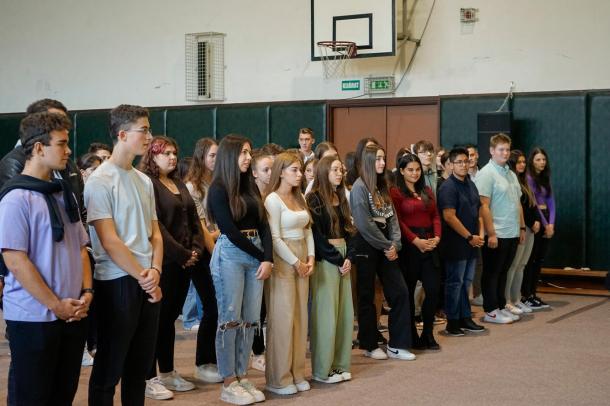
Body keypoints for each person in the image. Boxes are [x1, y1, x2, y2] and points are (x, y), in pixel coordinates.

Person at [0, 112, 92, 406]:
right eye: (61, 144)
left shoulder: (64, 192)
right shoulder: (16, 198)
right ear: (39, 148)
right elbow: (15, 260)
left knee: (62, 394)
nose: (68, 151)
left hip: (72, 311)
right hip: (34, 318)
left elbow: (81, 247)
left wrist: (86, 292)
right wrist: (56, 305)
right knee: (31, 397)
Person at [86, 105, 163, 406]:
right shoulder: (100, 180)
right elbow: (109, 240)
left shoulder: (143, 180)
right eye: (143, 129)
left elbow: (155, 233)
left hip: (146, 278)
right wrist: (144, 276)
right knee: (109, 366)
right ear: (122, 134)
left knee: (139, 368)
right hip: (118, 280)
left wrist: (155, 270)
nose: (149, 136)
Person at [207, 134, 273, 405]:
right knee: (230, 318)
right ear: (229, 155)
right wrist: (261, 256)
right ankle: (228, 381)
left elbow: (264, 225)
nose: (248, 157)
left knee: (250, 319)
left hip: (255, 254)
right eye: (243, 153)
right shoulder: (219, 188)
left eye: (249, 152)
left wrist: (267, 258)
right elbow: (231, 232)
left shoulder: (250, 186)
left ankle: (242, 374)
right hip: (232, 255)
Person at [139, 136, 206, 398]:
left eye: (174, 152)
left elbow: (194, 219)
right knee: (154, 323)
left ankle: (167, 371)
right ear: (152, 156)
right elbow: (157, 229)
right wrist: (180, 254)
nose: (172, 157)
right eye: (165, 153)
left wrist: (197, 250)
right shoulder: (149, 185)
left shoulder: (178, 183)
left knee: (169, 322)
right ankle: (148, 376)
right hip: (164, 262)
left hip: (185, 262)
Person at [350, 145, 414, 361]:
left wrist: (396, 244)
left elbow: (392, 217)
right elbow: (365, 224)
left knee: (400, 292)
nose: (382, 162)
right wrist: (387, 245)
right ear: (368, 161)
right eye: (378, 159)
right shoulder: (360, 187)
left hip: (388, 244)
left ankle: (398, 344)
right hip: (368, 244)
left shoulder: (383, 184)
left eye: (383, 158)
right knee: (366, 295)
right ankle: (369, 343)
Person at [264, 152, 315, 395]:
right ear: (281, 171)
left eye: (300, 170)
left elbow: (307, 231)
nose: (299, 174)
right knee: (283, 319)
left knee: (300, 318)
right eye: (294, 169)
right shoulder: (272, 200)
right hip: (284, 261)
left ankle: (297, 372)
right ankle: (280, 378)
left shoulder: (300, 196)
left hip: (303, 257)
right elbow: (274, 238)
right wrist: (296, 261)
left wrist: (311, 258)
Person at [307, 155, 355, 384]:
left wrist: (349, 257)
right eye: (335, 169)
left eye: (341, 170)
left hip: (343, 257)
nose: (340, 173)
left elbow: (350, 229)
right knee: (326, 316)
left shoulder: (340, 196)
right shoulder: (314, 198)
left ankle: (339, 364)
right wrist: (337, 258)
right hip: (327, 259)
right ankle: (322, 369)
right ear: (324, 171)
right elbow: (317, 237)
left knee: (344, 315)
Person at [184, 138, 225, 383]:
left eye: (218, 155)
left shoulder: (218, 183)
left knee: (220, 308)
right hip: (205, 255)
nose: (216, 160)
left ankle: (216, 358)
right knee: (211, 307)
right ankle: (202, 362)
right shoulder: (193, 187)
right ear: (201, 157)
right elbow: (203, 231)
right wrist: (216, 250)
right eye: (212, 155)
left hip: (221, 249)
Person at [390, 154, 442, 350]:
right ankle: (410, 334)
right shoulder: (396, 192)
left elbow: (435, 215)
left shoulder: (426, 189)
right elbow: (398, 221)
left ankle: (428, 333)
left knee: (433, 290)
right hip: (410, 246)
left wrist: (436, 237)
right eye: (410, 169)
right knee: (409, 292)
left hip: (430, 243)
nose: (415, 173)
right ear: (402, 171)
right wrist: (415, 240)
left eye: (417, 169)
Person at [474, 133, 525, 325]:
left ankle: (501, 306)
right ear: (492, 151)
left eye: (507, 149)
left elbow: (518, 203)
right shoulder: (486, 173)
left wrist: (521, 228)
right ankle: (490, 310)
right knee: (492, 272)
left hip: (512, 231)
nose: (505, 153)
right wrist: (491, 233)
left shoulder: (510, 173)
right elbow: (483, 206)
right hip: (496, 233)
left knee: (504, 271)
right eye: (501, 149)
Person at [437, 148, 486, 336]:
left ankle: (465, 317)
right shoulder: (448, 187)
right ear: (450, 165)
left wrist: (479, 235)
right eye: (459, 162)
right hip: (456, 243)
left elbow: (479, 211)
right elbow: (449, 217)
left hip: (472, 242)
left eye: (466, 161)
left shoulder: (470, 184)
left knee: (466, 282)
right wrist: (469, 236)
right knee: (455, 283)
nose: (464, 165)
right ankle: (453, 321)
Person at [506, 150, 540, 315]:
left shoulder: (525, 181)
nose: (522, 164)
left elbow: (531, 205)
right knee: (513, 266)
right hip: (520, 227)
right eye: (518, 162)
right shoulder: (511, 181)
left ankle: (517, 299)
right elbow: (518, 207)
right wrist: (527, 224)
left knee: (522, 265)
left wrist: (536, 221)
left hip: (529, 228)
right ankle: (508, 301)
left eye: (523, 162)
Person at [250, 150, 275, 372]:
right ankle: (256, 351)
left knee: (266, 306)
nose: (270, 173)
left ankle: (264, 348)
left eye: (272, 169)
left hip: (271, 254)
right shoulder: (252, 196)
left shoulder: (274, 194)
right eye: (265, 170)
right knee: (257, 307)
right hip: (255, 254)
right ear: (255, 173)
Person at [522, 147, 555, 309]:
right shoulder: (528, 178)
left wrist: (551, 224)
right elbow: (534, 204)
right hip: (537, 220)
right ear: (531, 161)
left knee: (539, 260)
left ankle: (533, 293)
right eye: (538, 160)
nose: (542, 162)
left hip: (547, 220)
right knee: (530, 259)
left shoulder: (545, 178)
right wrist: (544, 223)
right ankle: (526, 295)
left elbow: (551, 202)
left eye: (543, 159)